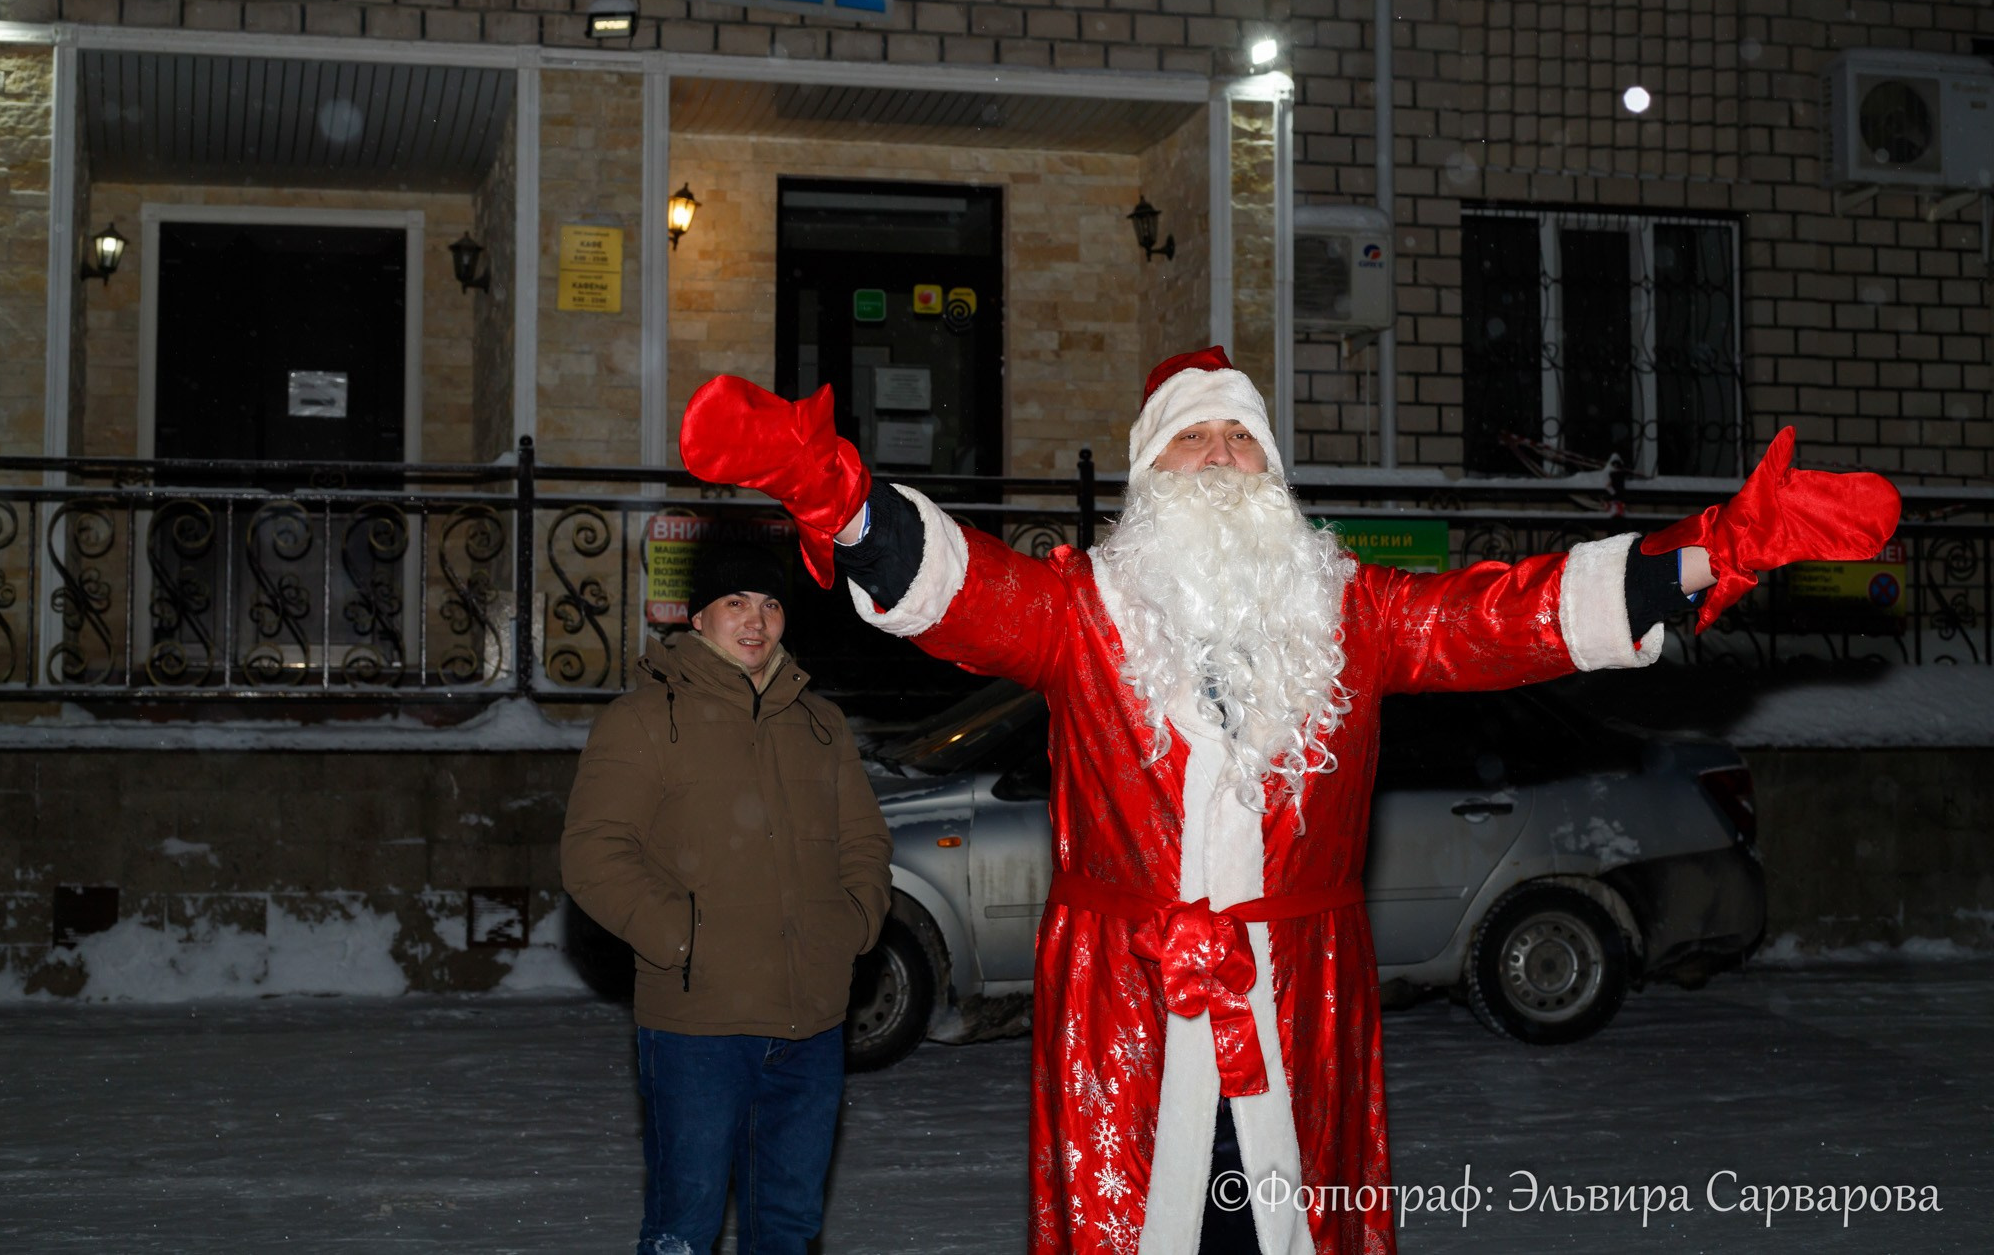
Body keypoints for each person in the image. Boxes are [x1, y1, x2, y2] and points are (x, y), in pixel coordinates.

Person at [677, 349, 1899, 1255]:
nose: (1218, 461)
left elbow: (1506, 616)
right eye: (1190, 443)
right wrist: (826, 489)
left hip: (1297, 994)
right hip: (1127, 998)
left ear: (1274, 473)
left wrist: (1710, 550)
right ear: (1148, 474)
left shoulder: (1351, 613)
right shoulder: (1077, 612)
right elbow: (953, 587)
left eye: (1240, 440)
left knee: (1290, 1229)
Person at [561, 541, 893, 1255]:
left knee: (789, 1225)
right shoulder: (645, 720)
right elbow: (593, 852)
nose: (757, 620)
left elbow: (864, 842)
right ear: (699, 616)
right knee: (686, 1224)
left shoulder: (819, 724)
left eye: (771, 603)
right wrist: (686, 939)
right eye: (736, 602)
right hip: (698, 1027)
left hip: (812, 1023)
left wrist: (855, 924)